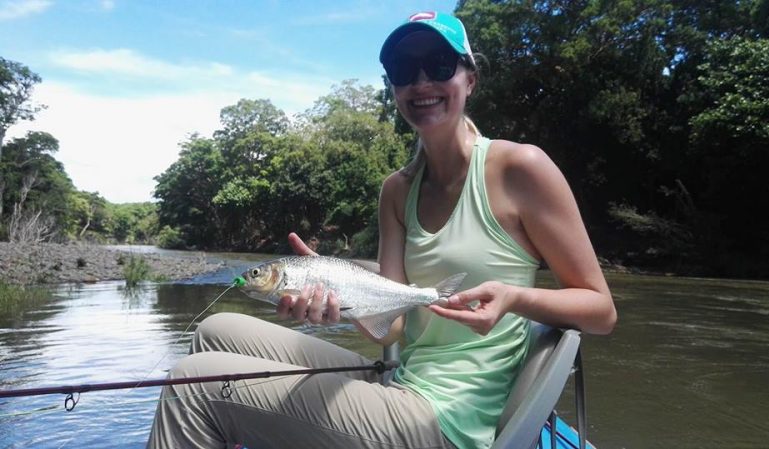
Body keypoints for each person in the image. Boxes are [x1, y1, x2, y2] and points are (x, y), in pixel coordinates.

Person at [147, 11, 616, 449]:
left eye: (437, 64)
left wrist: (515, 298)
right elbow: (389, 327)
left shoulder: (521, 168)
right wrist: (337, 292)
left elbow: (601, 311)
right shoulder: (397, 190)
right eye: (402, 69)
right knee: (215, 330)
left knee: (194, 386)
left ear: (469, 79)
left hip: (448, 418)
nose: (421, 82)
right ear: (392, 86)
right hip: (402, 378)